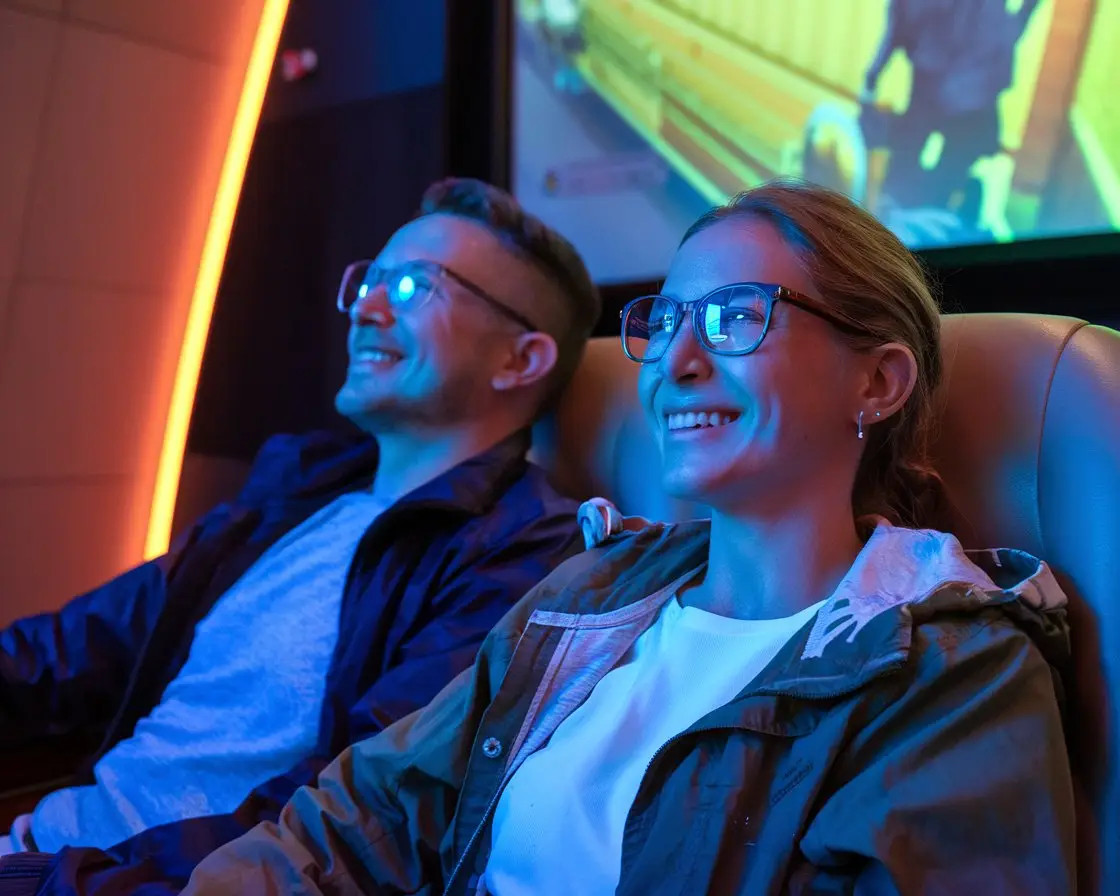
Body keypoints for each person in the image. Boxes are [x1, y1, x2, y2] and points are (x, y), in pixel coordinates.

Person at [179, 180, 1074, 895]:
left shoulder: (954, 670)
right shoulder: (589, 593)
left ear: (876, 383)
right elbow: (359, 818)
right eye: (667, 320)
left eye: (735, 317)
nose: (678, 363)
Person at [0, 179, 601, 893]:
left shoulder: (520, 553)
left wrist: (49, 881)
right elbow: (63, 654)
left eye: (414, 288)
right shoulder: (293, 495)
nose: (367, 311)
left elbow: (344, 820)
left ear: (520, 360)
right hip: (42, 850)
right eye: (370, 282)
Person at [862, 0, 1040, 224]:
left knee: (942, 161)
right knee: (915, 157)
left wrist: (872, 76)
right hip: (947, 76)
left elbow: (898, 23)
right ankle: (914, 213)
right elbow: (900, 21)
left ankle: (925, 214)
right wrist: (872, 75)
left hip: (968, 80)